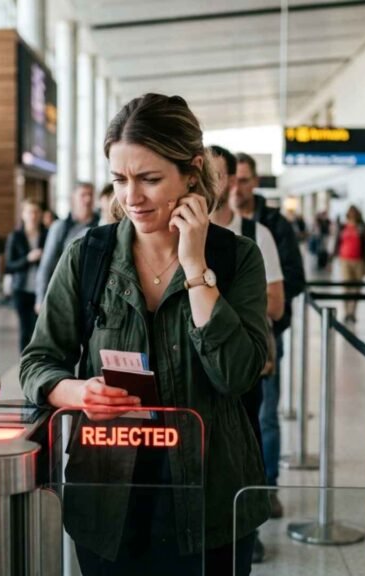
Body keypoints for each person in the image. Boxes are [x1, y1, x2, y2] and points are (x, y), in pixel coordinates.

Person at [20, 94, 269, 575]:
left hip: (211, 499)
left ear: (192, 171)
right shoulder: (88, 257)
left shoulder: (236, 259)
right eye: (119, 179)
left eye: (150, 179)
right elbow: (37, 362)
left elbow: (238, 375)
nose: (130, 196)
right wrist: (76, 390)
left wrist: (197, 271)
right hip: (108, 499)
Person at [209, 144, 284, 564]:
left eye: (226, 176)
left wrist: (215, 296)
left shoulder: (256, 236)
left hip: (247, 359)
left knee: (251, 435)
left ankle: (248, 527)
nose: (220, 184)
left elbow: (275, 305)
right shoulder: (184, 231)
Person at [231, 151, 306, 519]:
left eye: (244, 179)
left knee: (266, 415)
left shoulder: (272, 225)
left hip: (266, 334)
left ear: (253, 181)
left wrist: (252, 300)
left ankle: (268, 485)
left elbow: (293, 278)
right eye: (234, 179)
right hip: (230, 338)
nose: (237, 187)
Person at [35, 183, 96, 308]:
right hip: (65, 293)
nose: (88, 199)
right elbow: (47, 263)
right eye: (83, 195)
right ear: (73, 198)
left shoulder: (102, 225)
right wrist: (40, 298)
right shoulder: (60, 227)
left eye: (90, 195)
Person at [6, 199, 47, 352]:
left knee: (39, 330)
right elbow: (9, 266)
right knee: (25, 329)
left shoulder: (47, 235)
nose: (33, 216)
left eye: (36, 212)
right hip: (21, 290)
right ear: (23, 215)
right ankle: (25, 363)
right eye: (30, 212)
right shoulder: (15, 236)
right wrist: (27, 259)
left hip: (42, 291)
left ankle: (38, 363)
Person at [332, 205, 365, 322]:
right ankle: (347, 312)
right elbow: (337, 243)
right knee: (347, 287)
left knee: (357, 288)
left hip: (359, 261)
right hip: (345, 260)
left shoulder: (362, 227)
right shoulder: (343, 227)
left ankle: (353, 312)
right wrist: (331, 258)